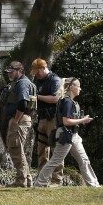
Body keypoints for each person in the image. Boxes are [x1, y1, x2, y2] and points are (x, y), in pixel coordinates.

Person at [34, 77, 100, 187]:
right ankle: (39, 183)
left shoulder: (70, 102)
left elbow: (70, 120)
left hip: (73, 135)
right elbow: (66, 121)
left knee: (84, 160)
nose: (80, 89)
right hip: (66, 135)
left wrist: (80, 120)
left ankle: (93, 184)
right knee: (55, 161)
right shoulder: (67, 102)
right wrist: (83, 120)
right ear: (71, 87)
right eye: (78, 86)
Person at [32, 58, 63, 186]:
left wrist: (37, 97)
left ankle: (57, 179)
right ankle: (42, 178)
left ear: (43, 68)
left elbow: (56, 99)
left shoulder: (55, 80)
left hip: (53, 119)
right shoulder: (37, 80)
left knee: (56, 149)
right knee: (42, 149)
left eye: (37, 71)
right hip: (42, 118)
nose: (35, 74)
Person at [3, 61, 35, 188]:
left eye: (12, 71)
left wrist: (16, 120)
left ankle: (21, 181)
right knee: (18, 149)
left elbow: (23, 103)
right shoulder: (20, 83)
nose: (9, 74)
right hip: (21, 119)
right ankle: (26, 179)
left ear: (20, 70)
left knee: (16, 148)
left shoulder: (22, 83)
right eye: (8, 72)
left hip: (20, 119)